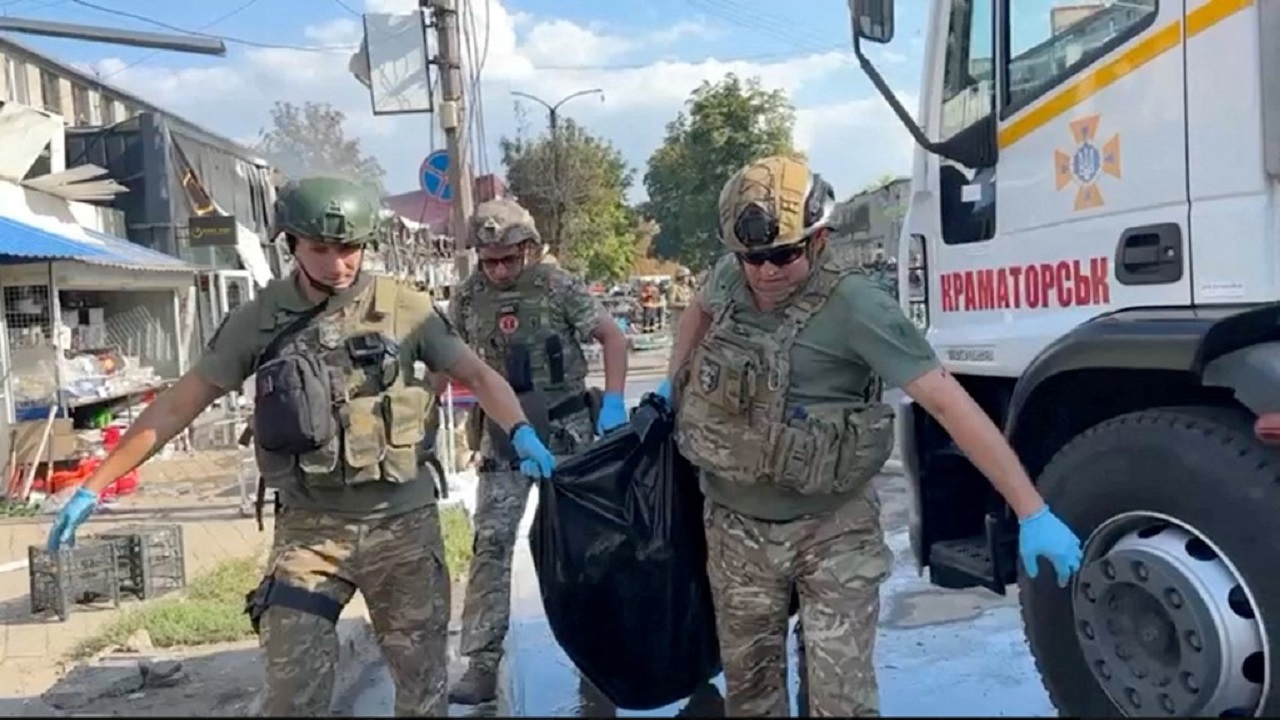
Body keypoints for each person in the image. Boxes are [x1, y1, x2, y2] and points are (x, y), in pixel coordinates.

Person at [45, 176, 558, 718]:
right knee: (292, 693)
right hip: (311, 532)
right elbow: (179, 403)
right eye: (321, 249)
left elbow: (476, 375)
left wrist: (521, 431)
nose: (339, 264)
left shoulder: (408, 310)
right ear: (290, 242)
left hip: (404, 528)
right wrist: (94, 484)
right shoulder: (258, 320)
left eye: (350, 248)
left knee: (422, 696)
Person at [653, 156, 1083, 717]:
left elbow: (946, 401)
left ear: (818, 237)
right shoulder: (730, 277)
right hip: (736, 530)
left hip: (832, 529)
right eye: (752, 258)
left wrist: (1031, 510)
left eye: (783, 255)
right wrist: (671, 383)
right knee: (752, 696)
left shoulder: (857, 307)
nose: (765, 272)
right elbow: (699, 309)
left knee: (842, 702)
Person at [447, 198, 630, 705]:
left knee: (586, 544)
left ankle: (599, 653)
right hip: (505, 439)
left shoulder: (559, 286)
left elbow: (612, 338)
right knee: (491, 544)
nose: (499, 269)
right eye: (489, 260)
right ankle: (482, 661)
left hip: (568, 433)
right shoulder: (467, 298)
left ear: (528, 248)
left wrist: (613, 402)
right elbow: (446, 360)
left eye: (508, 258)